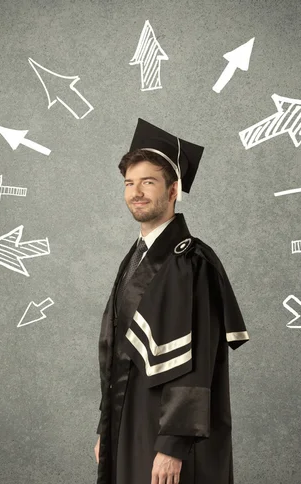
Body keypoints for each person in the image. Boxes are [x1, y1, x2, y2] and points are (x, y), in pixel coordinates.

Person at [95, 118, 249, 484]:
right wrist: (106, 426)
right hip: (129, 421)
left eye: (148, 182)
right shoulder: (134, 258)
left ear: (173, 189)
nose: (136, 192)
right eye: (129, 184)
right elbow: (119, 352)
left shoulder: (191, 261)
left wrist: (172, 445)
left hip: (172, 430)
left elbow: (199, 359)